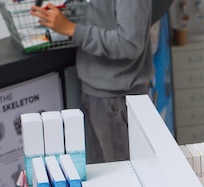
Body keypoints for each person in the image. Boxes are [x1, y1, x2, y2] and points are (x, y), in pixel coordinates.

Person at [30, 1, 154, 164]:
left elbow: (129, 44)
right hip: (95, 92)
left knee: (121, 176)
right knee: (102, 175)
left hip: (116, 99)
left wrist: (72, 29)